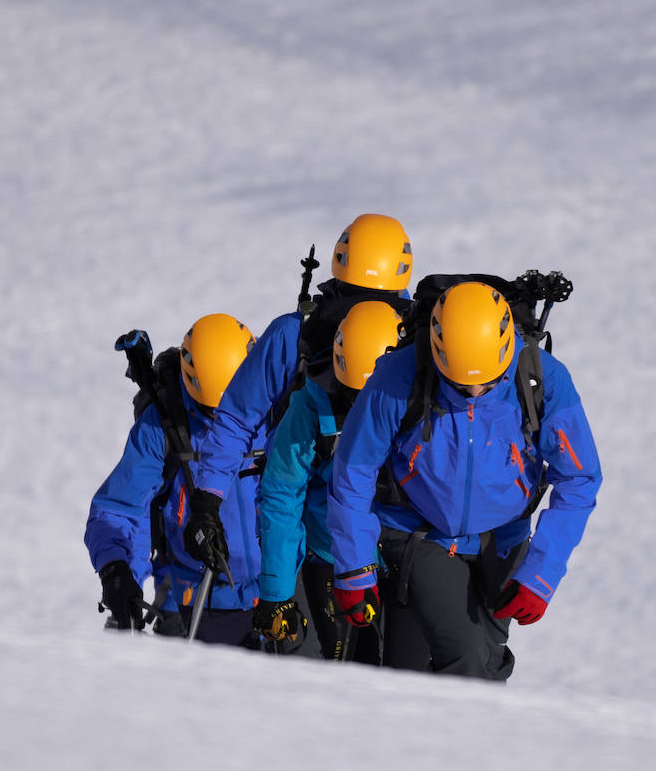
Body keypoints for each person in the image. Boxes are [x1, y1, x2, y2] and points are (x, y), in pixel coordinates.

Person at [325, 280, 602, 680]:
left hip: (504, 541)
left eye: (487, 383)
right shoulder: (398, 376)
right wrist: (353, 567)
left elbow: (579, 478)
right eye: (458, 383)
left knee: (490, 664)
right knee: (466, 660)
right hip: (421, 534)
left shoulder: (542, 379)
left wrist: (542, 571)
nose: (473, 392)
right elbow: (353, 471)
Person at [182, 214, 415, 575]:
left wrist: (208, 499)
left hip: (300, 534)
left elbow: (236, 419)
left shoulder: (292, 334)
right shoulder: (416, 337)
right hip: (402, 534)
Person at [85, 313, 267, 646]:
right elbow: (121, 507)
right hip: (206, 601)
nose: (228, 424)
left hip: (285, 588)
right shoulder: (164, 425)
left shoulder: (281, 405)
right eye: (213, 412)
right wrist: (117, 571)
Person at [253, 300, 405, 659]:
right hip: (331, 558)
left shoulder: (420, 399)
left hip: (405, 553)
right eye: (352, 396)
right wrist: (277, 594)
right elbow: (282, 494)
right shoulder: (309, 407)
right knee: (348, 673)